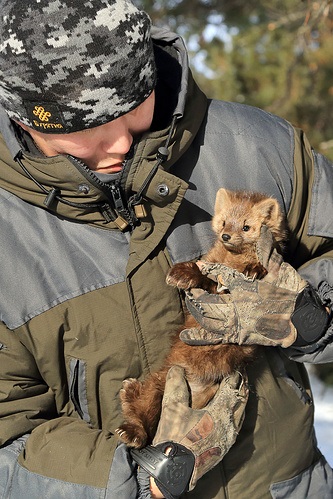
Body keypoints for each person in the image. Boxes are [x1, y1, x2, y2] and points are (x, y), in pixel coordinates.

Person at [0, 0, 332, 497]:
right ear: (29, 121)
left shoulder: (260, 146)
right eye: (83, 133)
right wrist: (140, 478)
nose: (117, 145)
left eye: (131, 114)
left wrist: (312, 312)